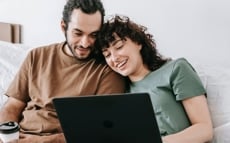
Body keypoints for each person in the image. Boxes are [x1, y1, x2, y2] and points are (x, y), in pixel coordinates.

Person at [0, 1, 126, 142]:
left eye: (93, 35)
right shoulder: (36, 55)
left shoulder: (107, 69)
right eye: (78, 33)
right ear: (63, 27)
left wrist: (36, 141)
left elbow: (100, 130)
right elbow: (12, 106)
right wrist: (8, 136)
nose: (85, 43)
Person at [96, 15, 213, 143]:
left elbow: (205, 130)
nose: (114, 58)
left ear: (138, 42)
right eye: (107, 55)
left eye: (118, 46)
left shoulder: (175, 69)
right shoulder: (123, 95)